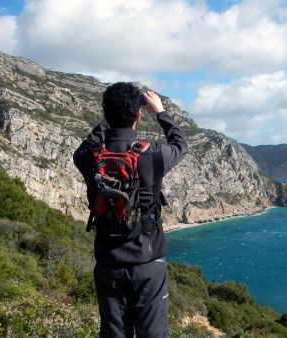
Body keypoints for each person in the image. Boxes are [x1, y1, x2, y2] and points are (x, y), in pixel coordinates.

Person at [73, 82, 188, 337]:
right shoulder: (152, 154)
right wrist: (160, 112)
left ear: (106, 113)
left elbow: (88, 143)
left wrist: (110, 118)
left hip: (108, 263)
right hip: (148, 263)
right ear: (137, 115)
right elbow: (180, 144)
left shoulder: (88, 156)